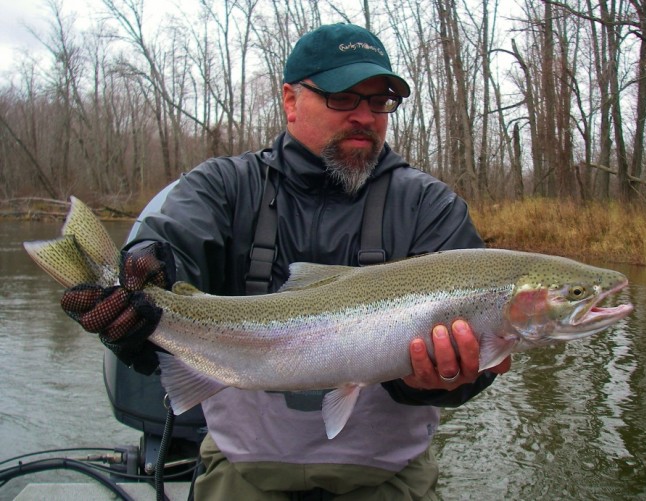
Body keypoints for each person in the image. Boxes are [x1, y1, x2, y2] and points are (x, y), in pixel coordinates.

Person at [61, 23, 510, 500]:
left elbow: (468, 370)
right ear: (291, 101)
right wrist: (142, 269)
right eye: (344, 98)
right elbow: (170, 243)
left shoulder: (429, 206)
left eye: (378, 102)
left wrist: (438, 381)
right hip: (239, 473)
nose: (365, 116)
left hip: (390, 481)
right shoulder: (224, 187)